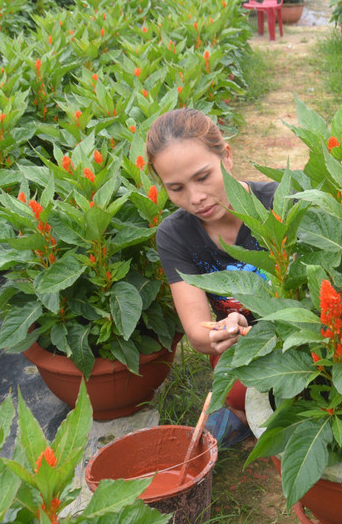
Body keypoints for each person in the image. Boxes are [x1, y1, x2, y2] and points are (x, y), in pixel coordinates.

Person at [147, 107, 277, 447]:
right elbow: (197, 333)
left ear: (227, 156)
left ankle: (251, 420)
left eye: (203, 177)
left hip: (300, 333)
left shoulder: (280, 203)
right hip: (242, 345)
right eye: (176, 188)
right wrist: (221, 331)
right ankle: (245, 414)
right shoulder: (175, 235)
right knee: (239, 393)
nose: (195, 198)